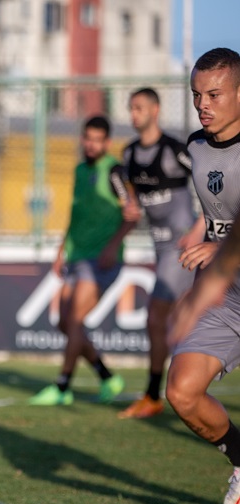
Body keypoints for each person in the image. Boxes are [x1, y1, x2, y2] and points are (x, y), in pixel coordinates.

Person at [163, 48, 240, 504]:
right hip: (224, 294)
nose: (203, 104)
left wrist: (221, 247)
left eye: (214, 94)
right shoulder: (195, 145)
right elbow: (216, 212)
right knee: (183, 392)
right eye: (196, 95)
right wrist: (200, 236)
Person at [29, 115, 138, 406]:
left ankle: (62, 387)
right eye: (87, 138)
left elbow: (133, 214)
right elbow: (75, 216)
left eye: (97, 140)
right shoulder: (79, 170)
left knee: (75, 320)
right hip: (76, 257)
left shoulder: (114, 171)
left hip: (101, 261)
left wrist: (112, 246)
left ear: (107, 142)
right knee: (65, 323)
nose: (91, 144)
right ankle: (107, 377)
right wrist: (60, 250)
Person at [117, 89, 203, 419]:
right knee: (177, 320)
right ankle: (172, 389)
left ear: (155, 110)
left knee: (156, 316)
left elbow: (210, 179)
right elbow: (134, 203)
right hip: (160, 247)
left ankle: (155, 394)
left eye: (139, 107)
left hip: (183, 247)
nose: (133, 114)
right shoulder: (128, 155)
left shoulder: (174, 150)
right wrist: (129, 210)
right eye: (131, 108)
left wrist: (200, 225)